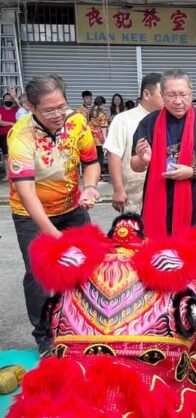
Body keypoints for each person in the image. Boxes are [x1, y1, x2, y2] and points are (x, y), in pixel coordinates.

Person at [8, 74, 101, 353]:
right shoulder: (21, 135)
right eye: (49, 110)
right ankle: (44, 335)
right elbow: (26, 192)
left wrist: (89, 188)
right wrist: (55, 236)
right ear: (31, 107)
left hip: (72, 207)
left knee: (88, 263)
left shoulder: (77, 122)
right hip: (31, 213)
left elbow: (91, 162)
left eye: (62, 106)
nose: (58, 114)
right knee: (39, 272)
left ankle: (86, 324)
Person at [130, 69, 196, 238]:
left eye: (183, 94)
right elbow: (134, 164)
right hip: (159, 206)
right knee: (158, 253)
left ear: (191, 93)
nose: (178, 101)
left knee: (194, 254)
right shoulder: (150, 122)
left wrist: (193, 171)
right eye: (171, 95)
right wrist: (143, 160)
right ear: (162, 95)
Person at [104, 72, 164, 214]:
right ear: (146, 94)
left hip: (163, 193)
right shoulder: (124, 120)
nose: (168, 98)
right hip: (134, 194)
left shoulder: (169, 119)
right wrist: (118, 190)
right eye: (163, 94)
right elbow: (114, 155)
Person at [88, 95, 109, 181]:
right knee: (100, 158)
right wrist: (105, 140)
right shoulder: (101, 114)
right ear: (102, 104)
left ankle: (92, 176)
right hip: (99, 139)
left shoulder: (91, 111)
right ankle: (99, 177)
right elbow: (103, 127)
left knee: (93, 158)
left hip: (91, 138)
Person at [0, 91, 19, 181]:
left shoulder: (16, 109)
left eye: (10, 99)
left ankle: (16, 173)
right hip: (4, 135)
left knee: (16, 154)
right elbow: (0, 122)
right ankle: (8, 175)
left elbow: (23, 107)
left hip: (16, 135)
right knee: (6, 155)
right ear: (3, 100)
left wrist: (15, 97)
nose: (8, 100)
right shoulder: (0, 109)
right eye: (6, 99)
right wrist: (12, 123)